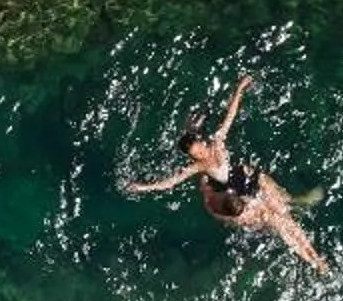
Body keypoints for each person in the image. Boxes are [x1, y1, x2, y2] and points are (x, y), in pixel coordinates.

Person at [124, 73, 328, 272]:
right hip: (239, 189)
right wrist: (143, 187)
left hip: (251, 178)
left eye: (200, 148)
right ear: (193, 158)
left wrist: (240, 89)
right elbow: (171, 182)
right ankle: (313, 260)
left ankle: (314, 251)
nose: (202, 154)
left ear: (201, 142)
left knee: (285, 213)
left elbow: (230, 116)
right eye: (196, 154)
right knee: (279, 223)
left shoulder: (217, 142)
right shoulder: (200, 167)